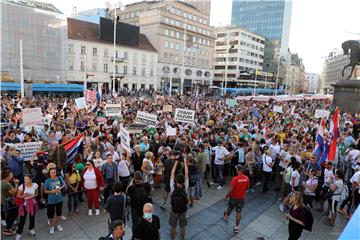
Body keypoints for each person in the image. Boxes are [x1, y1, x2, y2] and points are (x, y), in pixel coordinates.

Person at [223, 165, 249, 235]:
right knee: (239, 212)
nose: (235, 170)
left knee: (230, 207)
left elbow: (231, 189)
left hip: (233, 197)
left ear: (238, 170)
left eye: (236, 169)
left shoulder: (235, 178)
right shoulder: (247, 178)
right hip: (242, 198)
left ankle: (227, 216)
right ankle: (236, 228)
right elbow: (247, 187)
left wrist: (226, 196)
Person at [169, 158, 189, 240]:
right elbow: (187, 174)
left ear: (176, 180)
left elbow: (172, 173)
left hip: (174, 209)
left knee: (173, 226)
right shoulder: (185, 186)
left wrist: (176, 162)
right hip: (183, 210)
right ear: (183, 180)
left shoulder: (172, 186)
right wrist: (185, 162)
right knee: (182, 226)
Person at [15, 174, 39, 240]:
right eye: (24, 179)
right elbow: (18, 196)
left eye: (27, 179)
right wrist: (24, 196)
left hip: (32, 203)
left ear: (31, 179)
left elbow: (37, 193)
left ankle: (31, 229)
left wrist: (32, 196)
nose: (25, 180)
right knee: (22, 219)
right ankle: (19, 233)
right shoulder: (21, 186)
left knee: (32, 217)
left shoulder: (35, 185)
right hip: (24, 204)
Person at [44, 168, 65, 234]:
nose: (53, 174)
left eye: (54, 172)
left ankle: (58, 225)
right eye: (52, 172)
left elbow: (64, 184)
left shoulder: (59, 178)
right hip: (51, 200)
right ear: (49, 174)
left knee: (59, 213)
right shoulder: (47, 181)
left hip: (59, 198)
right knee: (51, 215)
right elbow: (45, 191)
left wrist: (60, 188)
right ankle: (52, 227)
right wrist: (52, 191)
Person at [1, 170, 19, 236]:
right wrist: (16, 184)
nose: (12, 176)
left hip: (4, 202)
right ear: (7, 176)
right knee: (13, 214)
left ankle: (8, 227)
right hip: (9, 202)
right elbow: (14, 193)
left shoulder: (2, 182)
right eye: (11, 175)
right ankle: (7, 229)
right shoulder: (6, 184)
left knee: (9, 215)